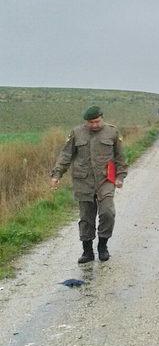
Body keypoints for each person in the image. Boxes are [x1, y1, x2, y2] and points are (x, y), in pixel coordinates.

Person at [50, 106, 128, 264]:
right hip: (83, 180)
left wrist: (120, 176)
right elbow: (66, 155)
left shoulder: (112, 132)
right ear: (86, 122)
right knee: (86, 217)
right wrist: (57, 174)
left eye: (97, 121)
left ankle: (103, 246)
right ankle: (87, 251)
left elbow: (120, 157)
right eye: (90, 122)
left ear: (102, 118)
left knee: (107, 213)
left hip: (105, 180)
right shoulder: (77, 133)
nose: (94, 125)